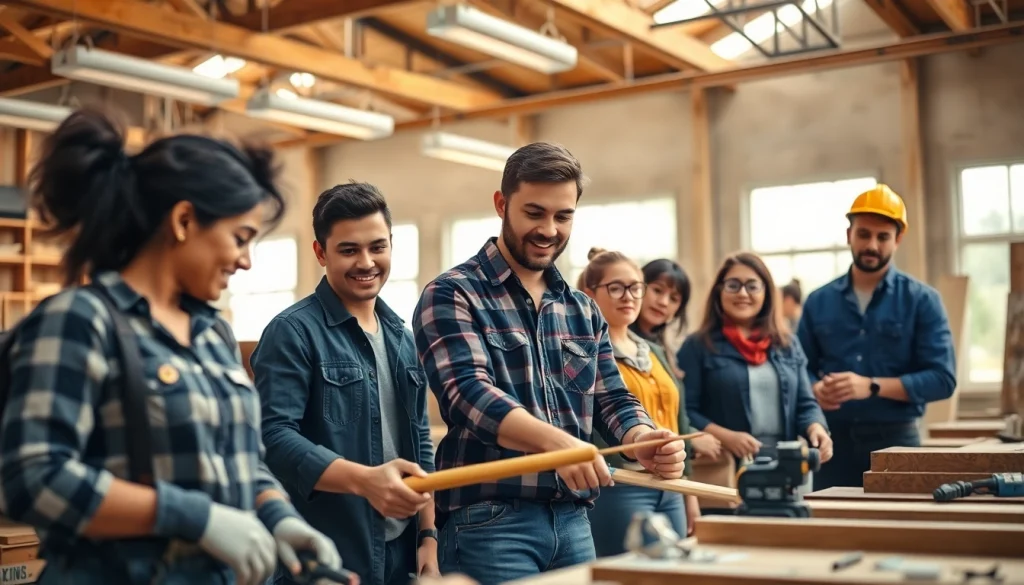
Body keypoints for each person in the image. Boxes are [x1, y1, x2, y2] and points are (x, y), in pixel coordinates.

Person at [0, 108, 340, 585]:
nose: (246, 261)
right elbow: (33, 477)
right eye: (240, 238)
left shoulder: (213, 334)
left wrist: (278, 516)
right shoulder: (81, 320)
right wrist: (195, 518)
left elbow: (239, 462)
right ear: (183, 221)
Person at [413, 142, 688, 585]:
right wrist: (560, 445)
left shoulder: (582, 308)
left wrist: (642, 438)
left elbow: (611, 397)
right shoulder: (452, 293)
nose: (549, 229)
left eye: (563, 216)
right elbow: (469, 395)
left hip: (574, 520)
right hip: (491, 523)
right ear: (501, 204)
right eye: (534, 213)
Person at [250, 183, 439, 585]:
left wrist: (428, 535)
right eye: (349, 250)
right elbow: (272, 437)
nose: (366, 262)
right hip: (328, 551)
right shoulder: (292, 332)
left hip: (402, 551)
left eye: (377, 247)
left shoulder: (403, 338)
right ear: (321, 253)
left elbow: (419, 439)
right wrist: (365, 481)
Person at [797, 185, 956, 491]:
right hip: (831, 445)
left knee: (900, 521)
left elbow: (942, 379)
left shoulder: (923, 301)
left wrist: (871, 386)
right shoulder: (818, 301)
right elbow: (799, 368)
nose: (872, 245)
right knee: (830, 521)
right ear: (849, 235)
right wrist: (814, 388)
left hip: (897, 442)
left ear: (898, 240)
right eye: (864, 234)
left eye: (883, 237)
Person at [576, 248, 719, 555]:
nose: (628, 296)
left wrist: (689, 492)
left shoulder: (654, 351)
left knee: (677, 569)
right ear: (589, 294)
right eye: (616, 288)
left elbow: (678, 422)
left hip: (670, 484)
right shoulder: (583, 354)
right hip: (620, 484)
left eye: (635, 287)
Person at [677, 252, 833, 471]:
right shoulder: (698, 345)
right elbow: (685, 410)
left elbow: (805, 403)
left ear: (766, 293)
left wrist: (816, 427)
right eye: (733, 285)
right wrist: (726, 437)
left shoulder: (787, 344)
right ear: (719, 291)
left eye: (752, 286)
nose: (742, 293)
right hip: (725, 467)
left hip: (784, 465)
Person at [630, 259, 692, 373]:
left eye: (673, 299)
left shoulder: (672, 354)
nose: (664, 302)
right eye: (657, 290)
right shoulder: (612, 340)